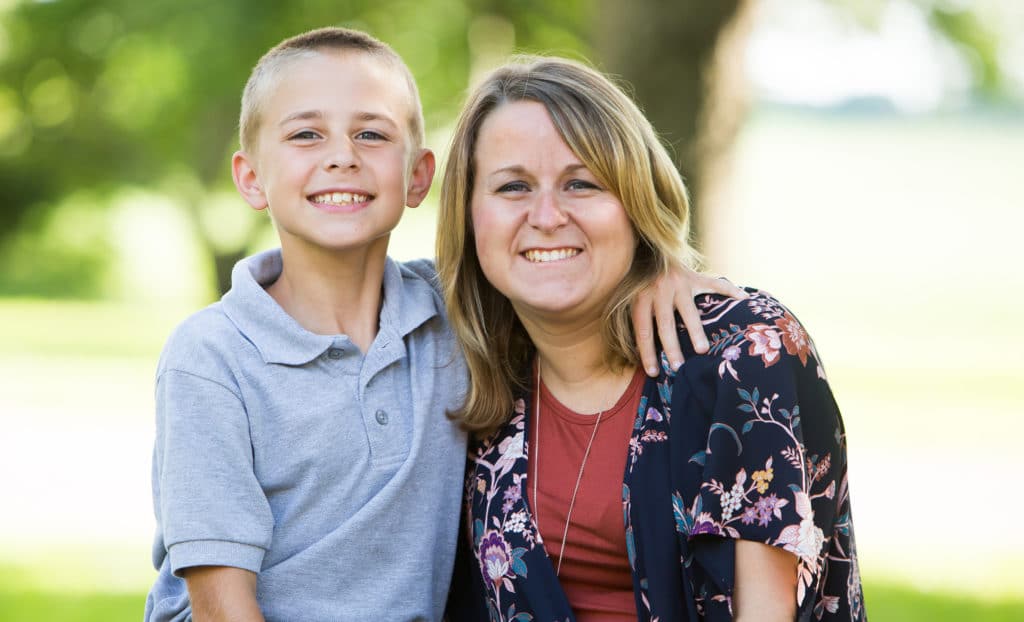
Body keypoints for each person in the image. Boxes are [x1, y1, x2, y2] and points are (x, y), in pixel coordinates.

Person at [144, 29, 741, 622]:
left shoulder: (457, 314)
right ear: (251, 178)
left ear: (418, 176)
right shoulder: (212, 357)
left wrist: (660, 268)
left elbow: (565, 273)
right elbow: (221, 608)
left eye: (372, 134)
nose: (342, 156)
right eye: (306, 134)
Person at [438, 56, 864, 621]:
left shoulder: (742, 353)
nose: (546, 215)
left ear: (635, 203)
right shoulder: (459, 363)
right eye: (513, 186)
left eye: (582, 183)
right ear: (469, 214)